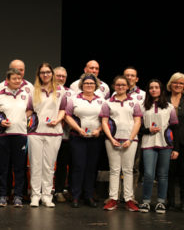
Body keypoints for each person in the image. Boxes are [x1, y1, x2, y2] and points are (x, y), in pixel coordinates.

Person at [100, 76, 142, 211]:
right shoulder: (107, 103)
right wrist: (111, 139)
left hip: (130, 140)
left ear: (128, 87)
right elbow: (104, 122)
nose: (120, 87)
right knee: (114, 170)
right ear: (114, 86)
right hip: (112, 140)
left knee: (128, 170)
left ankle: (129, 199)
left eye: (123, 85)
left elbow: (137, 122)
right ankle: (113, 198)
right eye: (118, 85)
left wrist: (130, 139)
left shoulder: (134, 102)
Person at [0, 68, 33, 207]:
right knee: (3, 168)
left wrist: (21, 119)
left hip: (20, 135)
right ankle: (3, 195)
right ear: (7, 80)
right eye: (14, 79)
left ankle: (18, 196)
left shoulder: (26, 94)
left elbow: (31, 110)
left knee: (19, 168)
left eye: (19, 78)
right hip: (3, 135)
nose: (17, 81)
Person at [27, 63, 66, 207]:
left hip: (54, 132)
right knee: (36, 165)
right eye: (42, 72)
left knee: (49, 166)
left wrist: (58, 119)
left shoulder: (61, 90)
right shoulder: (33, 90)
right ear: (39, 75)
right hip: (35, 132)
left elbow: (63, 109)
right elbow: (29, 110)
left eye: (48, 72)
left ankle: (47, 196)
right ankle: (35, 196)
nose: (45, 75)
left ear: (52, 74)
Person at [138, 79, 179, 214]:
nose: (154, 90)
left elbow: (175, 128)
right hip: (148, 143)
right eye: (151, 88)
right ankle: (146, 201)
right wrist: (148, 130)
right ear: (148, 90)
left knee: (163, 175)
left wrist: (176, 148)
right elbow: (138, 128)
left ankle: (161, 202)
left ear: (161, 90)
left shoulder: (169, 107)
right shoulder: (142, 106)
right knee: (149, 174)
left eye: (156, 87)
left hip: (165, 144)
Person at [65, 73, 105, 208]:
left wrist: (99, 130)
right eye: (86, 83)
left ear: (96, 86)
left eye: (92, 84)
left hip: (95, 138)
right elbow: (67, 116)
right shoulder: (74, 99)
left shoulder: (102, 100)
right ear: (82, 85)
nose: (89, 85)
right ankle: (75, 196)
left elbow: (106, 119)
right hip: (78, 138)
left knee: (91, 168)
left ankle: (88, 196)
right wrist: (77, 129)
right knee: (78, 166)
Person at [53, 66, 74, 203]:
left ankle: (60, 190)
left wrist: (65, 120)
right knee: (46, 165)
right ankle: (43, 191)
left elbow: (72, 111)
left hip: (65, 135)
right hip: (47, 132)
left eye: (63, 76)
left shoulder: (71, 93)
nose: (61, 78)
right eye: (58, 76)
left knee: (63, 164)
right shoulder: (46, 90)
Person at [166, 72, 184, 210]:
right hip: (168, 140)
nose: (178, 85)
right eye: (175, 82)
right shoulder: (163, 99)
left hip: (183, 140)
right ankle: (170, 201)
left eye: (181, 83)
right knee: (168, 173)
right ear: (170, 84)